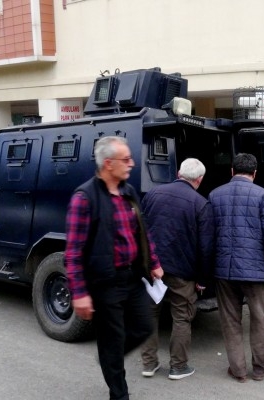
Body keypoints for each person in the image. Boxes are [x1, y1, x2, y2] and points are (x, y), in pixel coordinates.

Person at [64, 136, 164, 400]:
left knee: (144, 326)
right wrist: (79, 293)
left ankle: (109, 354)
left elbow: (142, 232)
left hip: (131, 278)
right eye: (126, 159)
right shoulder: (84, 198)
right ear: (108, 163)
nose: (132, 163)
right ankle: (119, 394)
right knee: (114, 339)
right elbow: (73, 252)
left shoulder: (128, 192)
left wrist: (153, 263)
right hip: (104, 283)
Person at [208, 153, 264, 383]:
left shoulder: (214, 195)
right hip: (257, 271)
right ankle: (261, 369)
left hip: (224, 270)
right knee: (260, 319)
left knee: (230, 320)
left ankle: (238, 370)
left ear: (232, 171)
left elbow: (207, 236)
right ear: (255, 173)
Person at [139, 158, 214, 380]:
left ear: (179, 172)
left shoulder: (153, 194)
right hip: (183, 272)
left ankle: (148, 364)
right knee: (182, 317)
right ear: (199, 180)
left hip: (152, 269)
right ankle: (178, 367)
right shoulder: (201, 203)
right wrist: (202, 278)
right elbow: (206, 246)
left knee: (149, 315)